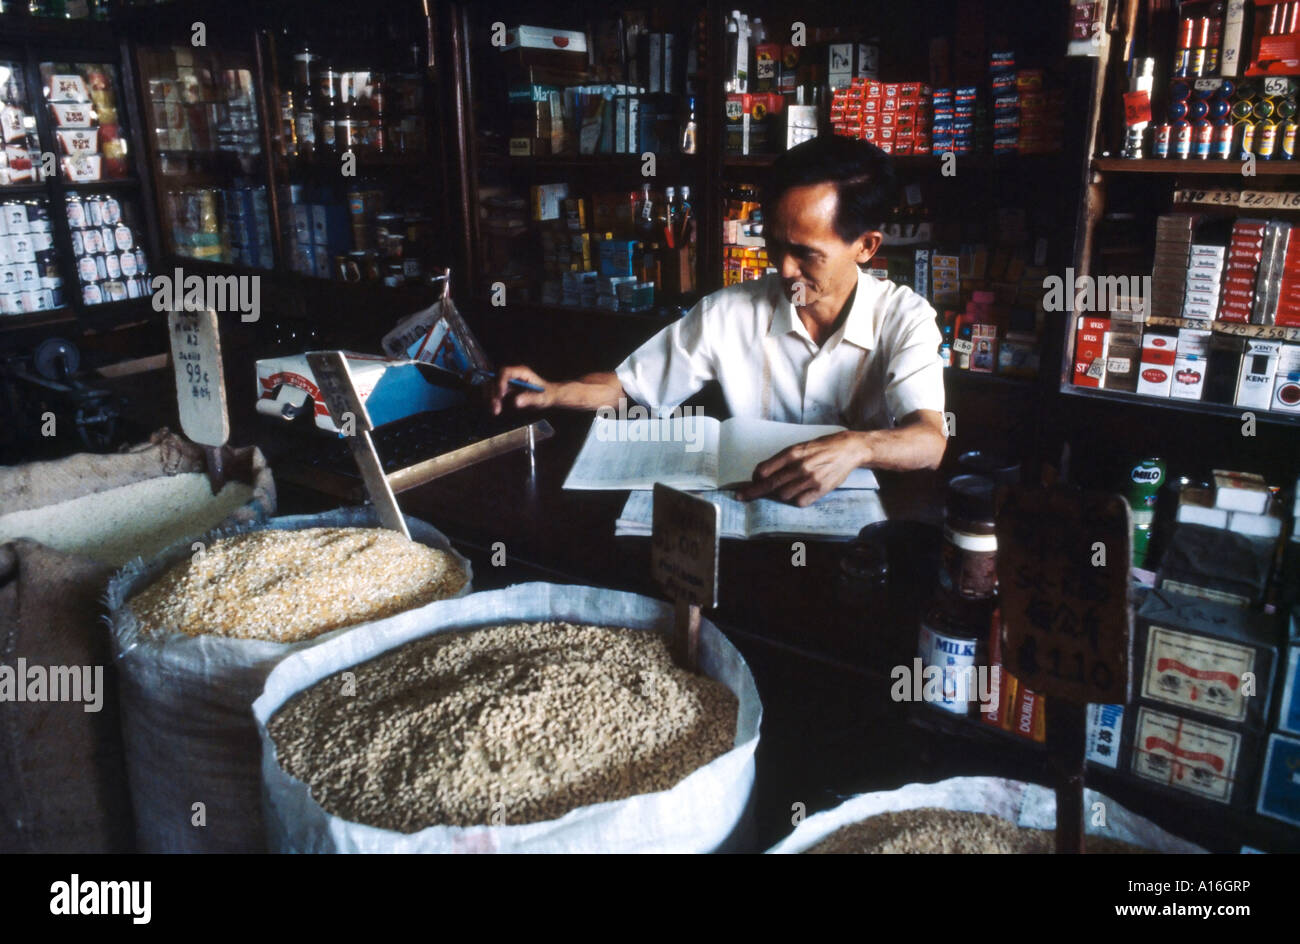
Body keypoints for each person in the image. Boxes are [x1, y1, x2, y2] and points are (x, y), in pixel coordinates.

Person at [491, 134, 947, 507]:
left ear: (866, 246)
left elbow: (929, 440)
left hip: (859, 523)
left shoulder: (904, 318)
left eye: (806, 253)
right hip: (748, 506)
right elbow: (628, 388)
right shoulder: (729, 311)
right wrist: (551, 391)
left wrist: (858, 447)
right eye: (774, 245)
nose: (784, 270)